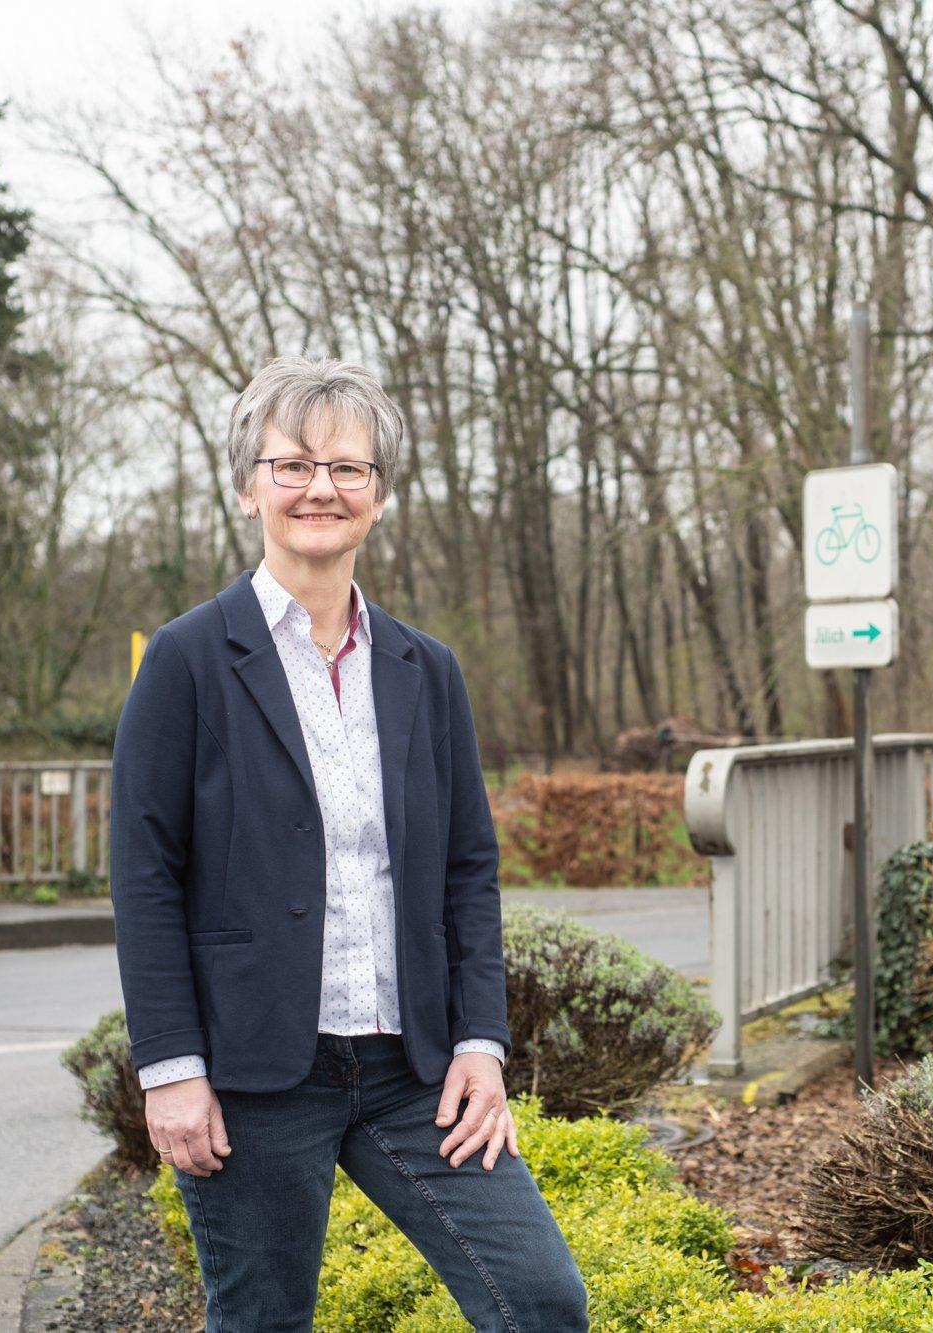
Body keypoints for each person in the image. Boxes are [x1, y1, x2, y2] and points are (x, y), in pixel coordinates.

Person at [109, 356, 588, 1332]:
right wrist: (171, 1069)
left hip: (415, 1070)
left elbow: (467, 869)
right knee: (261, 1321)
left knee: (540, 1299)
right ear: (249, 488)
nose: (319, 487)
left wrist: (479, 1043)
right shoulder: (188, 659)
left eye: (346, 468)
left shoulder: (425, 669)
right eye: (291, 464)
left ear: (378, 496)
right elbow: (144, 873)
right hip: (253, 1072)